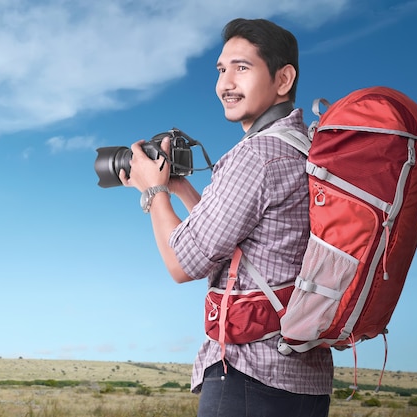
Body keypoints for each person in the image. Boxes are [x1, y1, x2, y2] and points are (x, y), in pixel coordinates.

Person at [120, 18, 333, 417]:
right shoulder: (306, 149)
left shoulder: (256, 156)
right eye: (221, 70)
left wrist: (153, 191)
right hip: (305, 381)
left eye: (242, 68)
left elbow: (183, 263)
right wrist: (181, 189)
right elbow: (243, 245)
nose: (225, 84)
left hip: (251, 375)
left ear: (283, 78)